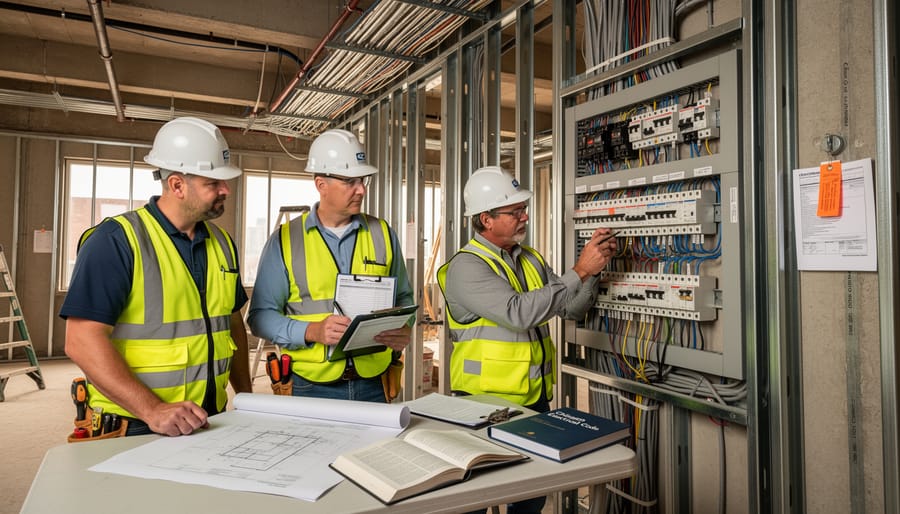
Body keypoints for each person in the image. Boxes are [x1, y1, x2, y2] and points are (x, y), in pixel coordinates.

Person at [437, 165, 617, 514]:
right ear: (486, 219)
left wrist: (594, 272)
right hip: (482, 407)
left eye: (523, 208)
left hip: (533, 399)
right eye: (515, 211)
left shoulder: (530, 259)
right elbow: (518, 312)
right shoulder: (467, 267)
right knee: (477, 498)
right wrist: (578, 270)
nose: (524, 216)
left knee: (531, 494)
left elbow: (570, 308)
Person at [61, 117, 252, 437]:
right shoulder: (116, 241)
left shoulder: (222, 243)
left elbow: (231, 326)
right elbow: (80, 341)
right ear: (177, 185)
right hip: (136, 424)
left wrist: (245, 398)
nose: (225, 190)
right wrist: (152, 410)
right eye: (213, 183)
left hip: (210, 420)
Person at [248, 128, 413, 402]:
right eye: (350, 181)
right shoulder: (286, 240)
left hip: (375, 382)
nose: (361, 189)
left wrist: (404, 328)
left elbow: (405, 298)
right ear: (320, 184)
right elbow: (260, 317)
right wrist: (311, 331)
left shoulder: (382, 233)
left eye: (363, 180)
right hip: (311, 386)